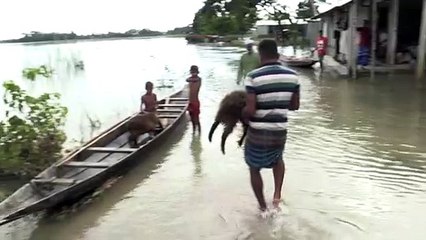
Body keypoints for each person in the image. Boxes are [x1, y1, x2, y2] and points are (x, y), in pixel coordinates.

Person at [243, 39, 300, 213]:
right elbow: (294, 106)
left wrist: (242, 114)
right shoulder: (293, 76)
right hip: (279, 131)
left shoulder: (253, 77)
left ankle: (262, 207)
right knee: (278, 159)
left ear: (261, 55)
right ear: (277, 53)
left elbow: (251, 110)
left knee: (254, 167)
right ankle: (276, 196)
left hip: (258, 132)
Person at [187, 65, 202, 133]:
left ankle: (199, 132)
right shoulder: (191, 79)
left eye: (194, 72)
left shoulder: (198, 79)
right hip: (190, 102)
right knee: (192, 119)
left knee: (196, 119)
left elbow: (189, 79)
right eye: (192, 72)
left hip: (195, 102)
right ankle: (193, 131)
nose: (193, 73)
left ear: (197, 72)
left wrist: (191, 77)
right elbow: (187, 79)